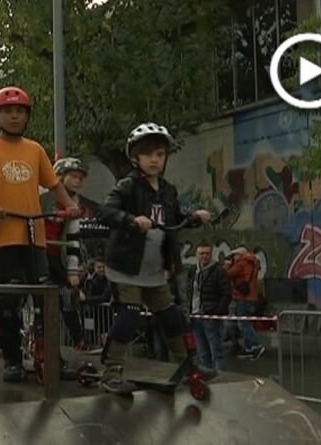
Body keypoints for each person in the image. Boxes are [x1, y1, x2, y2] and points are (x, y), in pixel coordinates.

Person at [0, 86, 80, 383]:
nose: (14, 116)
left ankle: (49, 356)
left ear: (27, 116)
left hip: (34, 235)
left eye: (19, 112)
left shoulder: (35, 149)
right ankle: (12, 360)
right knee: (8, 301)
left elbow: (54, 184)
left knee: (45, 298)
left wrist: (69, 206)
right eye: (8, 112)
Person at [95, 122, 211, 394]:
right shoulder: (127, 186)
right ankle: (111, 372)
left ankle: (187, 366)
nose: (155, 160)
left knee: (172, 318)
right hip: (126, 268)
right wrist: (130, 219)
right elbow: (105, 212)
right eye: (148, 154)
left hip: (154, 270)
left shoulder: (168, 190)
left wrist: (194, 217)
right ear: (135, 158)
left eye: (160, 154)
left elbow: (174, 219)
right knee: (129, 318)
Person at [40, 157, 98, 353]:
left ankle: (79, 340)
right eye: (73, 176)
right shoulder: (43, 196)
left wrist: (72, 270)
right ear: (59, 177)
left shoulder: (74, 204)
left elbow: (73, 238)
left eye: (80, 178)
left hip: (56, 256)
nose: (78, 181)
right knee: (37, 300)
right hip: (36, 253)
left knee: (68, 296)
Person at [186, 242, 232, 372]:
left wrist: (216, 313)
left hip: (211, 317)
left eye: (207, 253)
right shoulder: (193, 270)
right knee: (203, 353)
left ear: (211, 254)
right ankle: (207, 377)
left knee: (217, 353)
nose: (204, 256)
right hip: (195, 317)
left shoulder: (219, 271)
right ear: (197, 255)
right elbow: (189, 291)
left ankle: (220, 378)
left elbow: (227, 293)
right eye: (202, 253)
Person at [225, 247, 264, 360]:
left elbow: (228, 273)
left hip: (243, 298)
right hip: (251, 297)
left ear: (240, 254)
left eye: (235, 255)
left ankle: (256, 345)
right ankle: (249, 348)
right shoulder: (252, 263)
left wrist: (227, 265)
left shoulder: (242, 263)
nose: (233, 258)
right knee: (245, 322)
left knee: (244, 323)